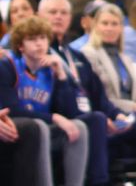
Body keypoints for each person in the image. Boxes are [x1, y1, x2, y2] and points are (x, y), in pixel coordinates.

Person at [38, 0, 136, 186]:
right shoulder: (42, 54)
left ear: (70, 18)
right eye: (53, 12)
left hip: (95, 118)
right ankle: (100, 182)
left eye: (63, 12)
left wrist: (116, 114)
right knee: (97, 119)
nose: (58, 16)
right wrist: (106, 114)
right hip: (67, 118)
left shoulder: (75, 55)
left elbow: (99, 95)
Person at [0, 16, 89, 186]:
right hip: (17, 123)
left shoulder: (50, 70)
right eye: (32, 39)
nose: (39, 44)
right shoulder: (7, 66)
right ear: (20, 46)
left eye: (42, 38)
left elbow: (69, 113)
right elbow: (11, 109)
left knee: (80, 126)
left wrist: (62, 77)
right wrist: (53, 118)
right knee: (39, 127)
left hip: (42, 123)